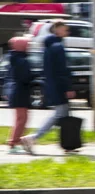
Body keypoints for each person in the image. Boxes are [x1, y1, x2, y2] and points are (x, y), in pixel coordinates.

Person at [21, 20, 75, 154]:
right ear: (57, 30)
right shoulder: (58, 47)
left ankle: (68, 145)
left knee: (64, 114)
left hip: (52, 84)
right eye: (65, 29)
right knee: (59, 114)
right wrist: (68, 87)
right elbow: (62, 70)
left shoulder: (48, 47)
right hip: (59, 86)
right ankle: (33, 137)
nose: (67, 32)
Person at [5, 37, 33, 154]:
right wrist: (33, 76)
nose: (29, 46)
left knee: (21, 118)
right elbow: (25, 77)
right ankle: (14, 143)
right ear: (21, 46)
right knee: (22, 119)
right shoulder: (21, 60)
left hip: (16, 90)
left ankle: (15, 142)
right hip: (20, 91)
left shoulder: (14, 58)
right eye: (27, 44)